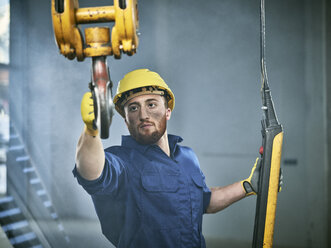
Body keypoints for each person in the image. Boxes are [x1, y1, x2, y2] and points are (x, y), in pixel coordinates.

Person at [73, 69, 262, 248]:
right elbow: (92, 173)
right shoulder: (122, 161)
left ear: (167, 112)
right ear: (126, 120)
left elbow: (203, 201)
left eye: (151, 104)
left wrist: (248, 186)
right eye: (133, 108)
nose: (143, 115)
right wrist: (91, 129)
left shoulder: (187, 157)